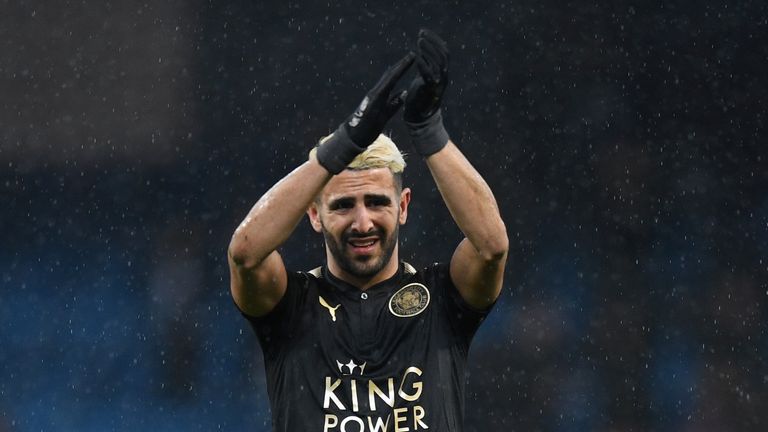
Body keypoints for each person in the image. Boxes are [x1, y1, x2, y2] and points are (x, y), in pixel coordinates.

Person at [228, 30, 508, 432]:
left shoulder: (441, 301)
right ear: (314, 214)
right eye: (343, 205)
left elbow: (492, 247)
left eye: (377, 202)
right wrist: (344, 143)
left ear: (404, 206)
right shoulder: (291, 306)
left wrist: (428, 130)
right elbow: (245, 253)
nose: (363, 223)